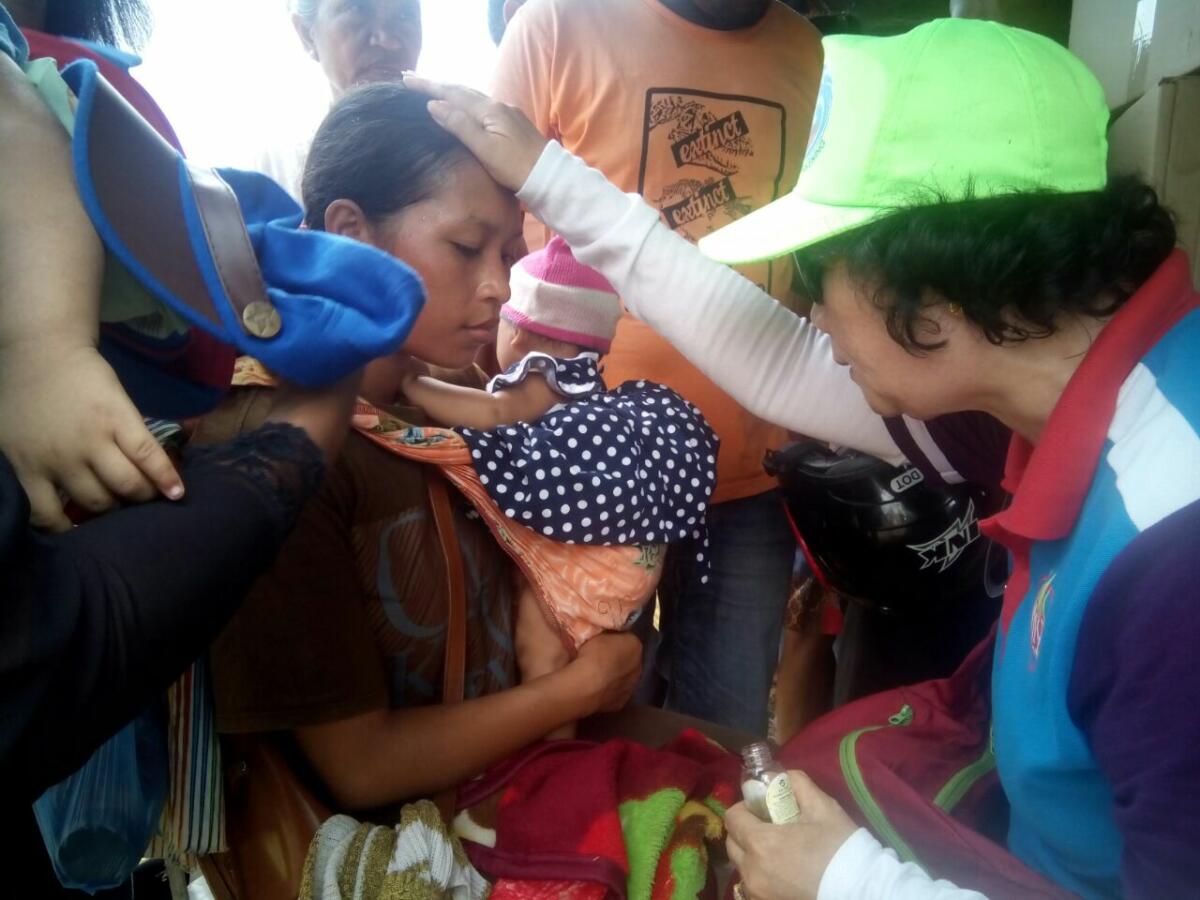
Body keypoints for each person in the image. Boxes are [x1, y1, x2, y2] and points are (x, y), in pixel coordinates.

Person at [406, 14, 1200, 894]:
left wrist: (843, 879)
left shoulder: (1173, 553)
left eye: (819, 280)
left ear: (932, 295)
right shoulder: (1045, 397)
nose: (813, 319)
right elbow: (776, 360)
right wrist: (549, 176)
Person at [197, 84, 643, 818]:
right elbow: (362, 768)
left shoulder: (462, 391)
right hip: (400, 843)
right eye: (466, 249)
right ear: (352, 232)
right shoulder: (274, 457)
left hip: (517, 783)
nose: (499, 287)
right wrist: (576, 690)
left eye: (509, 253)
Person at [492, 0, 824, 737]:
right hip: (588, 484)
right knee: (595, 724)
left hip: (751, 478)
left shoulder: (811, 55)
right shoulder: (557, 26)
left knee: (724, 735)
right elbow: (486, 225)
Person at [403, 235, 717, 686]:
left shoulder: (544, 376)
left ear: (519, 332)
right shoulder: (584, 380)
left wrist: (414, 385)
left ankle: (555, 730)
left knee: (541, 648)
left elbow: (493, 413)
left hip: (590, 559)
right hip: (624, 555)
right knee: (570, 650)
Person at [258, 0, 422, 200]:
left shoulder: (451, 140)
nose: (387, 40)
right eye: (357, 9)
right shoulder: (275, 172)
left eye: (405, 14)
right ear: (307, 35)